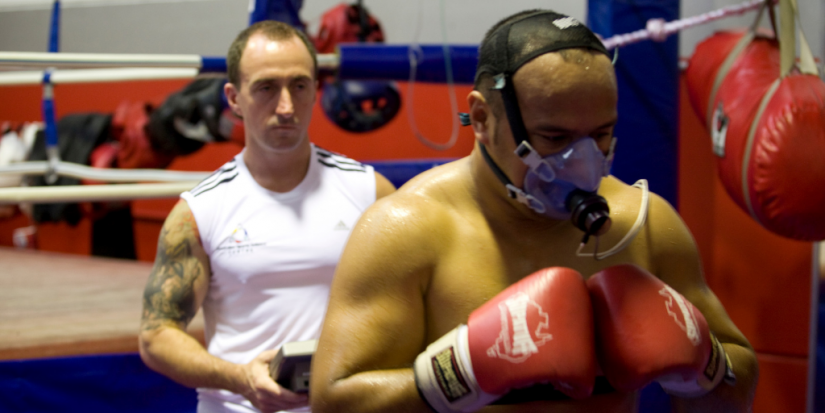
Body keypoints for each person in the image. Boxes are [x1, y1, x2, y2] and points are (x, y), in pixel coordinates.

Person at [310, 9, 758, 413]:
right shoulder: (407, 230)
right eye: (554, 138)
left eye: (601, 134)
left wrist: (705, 364)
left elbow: (735, 392)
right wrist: (459, 373)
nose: (584, 160)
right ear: (482, 119)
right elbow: (335, 402)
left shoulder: (644, 225)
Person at [138, 20, 395, 413]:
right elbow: (156, 336)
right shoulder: (199, 211)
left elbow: (409, 301)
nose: (286, 106)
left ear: (316, 89)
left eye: (299, 85)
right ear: (234, 98)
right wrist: (238, 377)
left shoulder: (369, 192)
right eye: (266, 88)